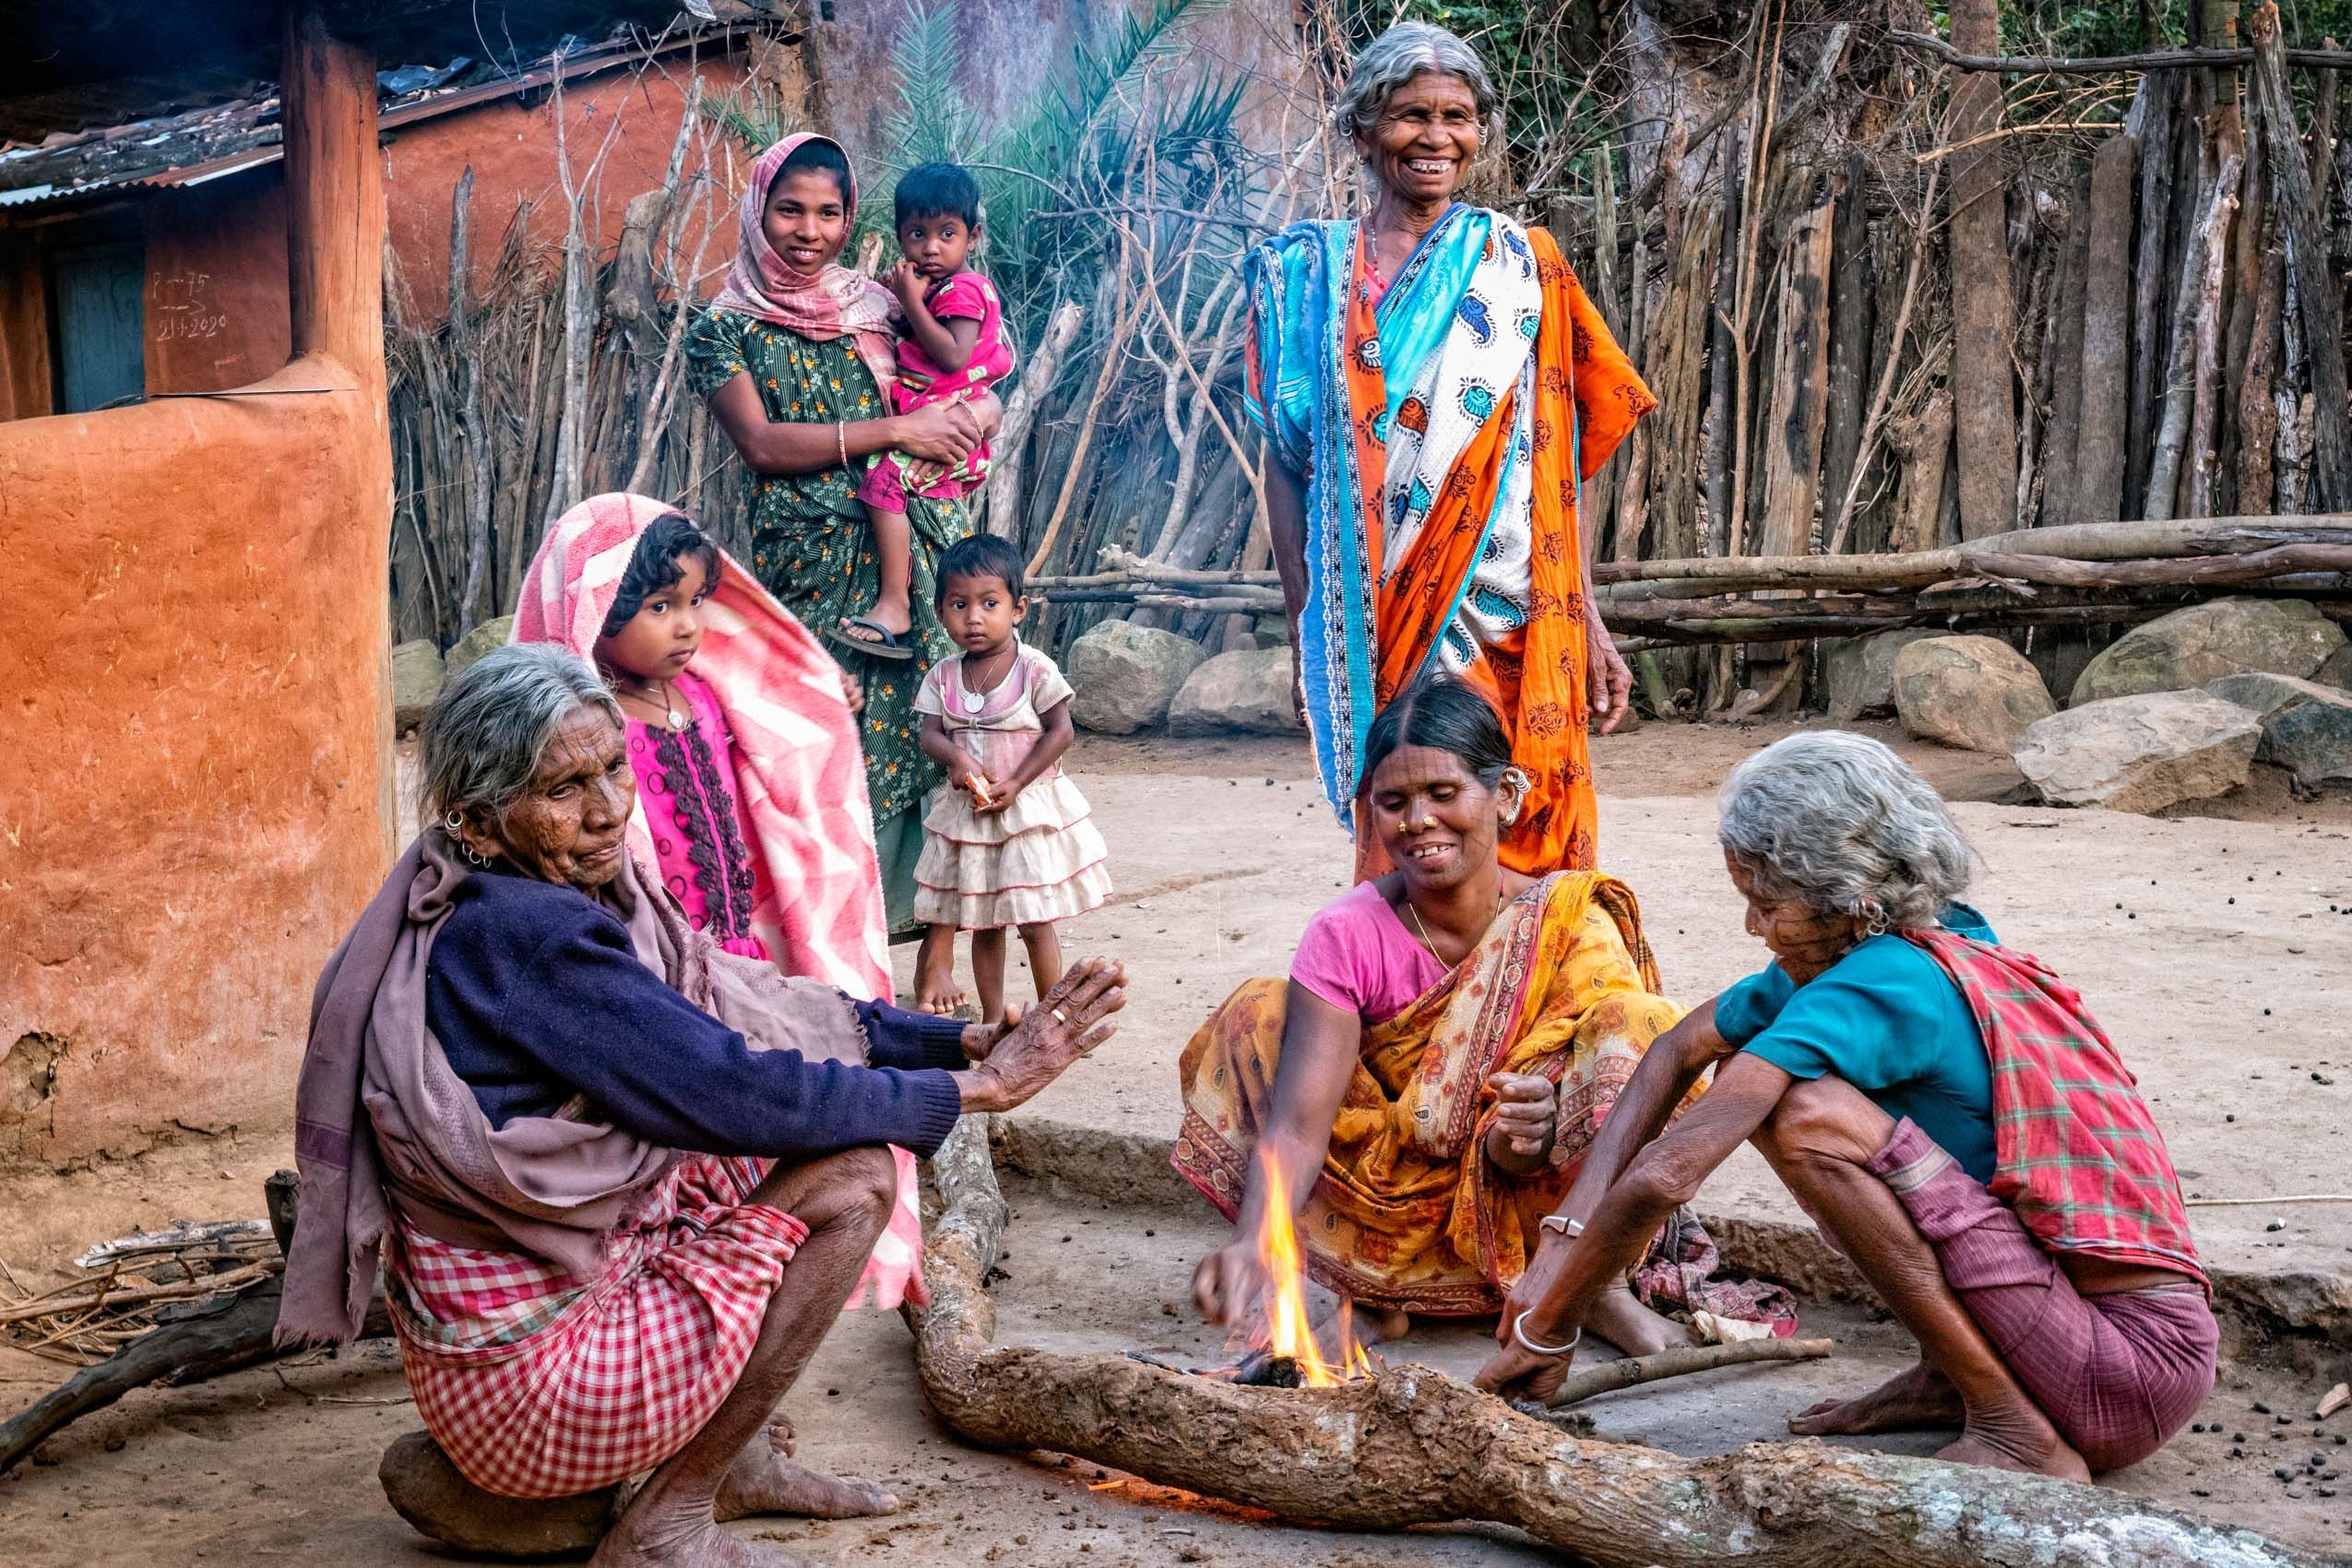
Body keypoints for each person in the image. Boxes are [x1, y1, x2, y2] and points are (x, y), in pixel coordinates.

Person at [279, 644, 1127, 1568]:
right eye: (563, 788)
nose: (608, 809)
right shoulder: (530, 934)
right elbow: (730, 1085)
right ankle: (668, 1518)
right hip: (531, 1386)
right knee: (849, 1174)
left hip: (501, 1357)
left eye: (612, 765)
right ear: (480, 820)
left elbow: (748, 1003)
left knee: (741, 1133)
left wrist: (952, 1041)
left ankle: (738, 1460)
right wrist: (974, 1090)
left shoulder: (535, 887)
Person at [1473, 731, 2217, 1481]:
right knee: (1757, 1068)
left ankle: (2016, 1430)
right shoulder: (1915, 940)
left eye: (1766, 903)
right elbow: (1675, 1048)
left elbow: (1668, 1174)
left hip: (2123, 1375)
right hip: (2106, 1348)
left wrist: (1551, 1325)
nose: (1752, 927)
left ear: (1850, 898)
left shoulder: (1883, 982)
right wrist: (1566, 1236)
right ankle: (1956, 1380)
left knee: (1801, 1112)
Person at [1179, 677, 1785, 1354]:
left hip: (1545, 1201)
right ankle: (1374, 1285)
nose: (1417, 823)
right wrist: (1254, 1244)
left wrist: (1537, 1129)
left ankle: (1596, 1287)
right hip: (1391, 1201)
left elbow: (1623, 1094)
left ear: (1504, 796)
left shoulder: (1568, 921)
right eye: (1394, 802)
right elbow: (1297, 1127)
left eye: (1443, 794)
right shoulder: (1347, 933)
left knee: (1638, 1024)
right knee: (1261, 1013)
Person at [1245, 22, 1654, 885]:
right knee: (1413, 814)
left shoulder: (1522, 265)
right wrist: (1303, 633)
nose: (1437, 137)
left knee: (1520, 806)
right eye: (1410, 115)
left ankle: (1538, 991)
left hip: (1512, 608)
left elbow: (1552, 468)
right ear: (1363, 131)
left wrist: (1590, 621)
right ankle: (1415, 1005)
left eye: (1458, 116)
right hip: (1376, 613)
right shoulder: (1301, 278)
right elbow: (1286, 464)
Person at [513, 491, 931, 1306]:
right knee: (681, 1143)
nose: (686, 626)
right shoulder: (584, 733)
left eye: (696, 602)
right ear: (594, 610)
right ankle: (682, 1302)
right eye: (659, 605)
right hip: (654, 971)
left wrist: (819, 693)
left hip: (737, 955)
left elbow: (779, 750)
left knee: (761, 1125)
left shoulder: (701, 696)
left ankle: (766, 1287)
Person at [685, 131, 999, 968]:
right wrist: (897, 429)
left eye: (829, 212)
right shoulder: (723, 329)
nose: (809, 230)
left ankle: (928, 932)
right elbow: (761, 443)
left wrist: (980, 414)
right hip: (812, 557)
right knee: (829, 724)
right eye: (789, 209)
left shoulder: (878, 303)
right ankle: (830, 937)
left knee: (934, 723)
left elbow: (960, 375)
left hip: (920, 540)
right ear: (759, 211)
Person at [912, 534, 1111, 1020]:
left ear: (1017, 609)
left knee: (1035, 921)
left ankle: (1054, 1017)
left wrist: (1017, 782)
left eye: (989, 603)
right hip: (973, 817)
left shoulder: (1033, 668)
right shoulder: (943, 676)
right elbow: (930, 733)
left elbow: (1060, 732)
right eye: (959, 605)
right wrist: (954, 759)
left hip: (1023, 812)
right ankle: (994, 1019)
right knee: (984, 923)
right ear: (941, 612)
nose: (973, 617)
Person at [838, 160, 1015, 659]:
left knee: (880, 487)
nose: (931, 247)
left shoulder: (962, 290)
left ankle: (895, 603)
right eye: (917, 233)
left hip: (952, 427)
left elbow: (953, 355)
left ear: (973, 236)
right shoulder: (936, 290)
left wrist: (910, 301)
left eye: (947, 233)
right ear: (899, 235)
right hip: (943, 425)